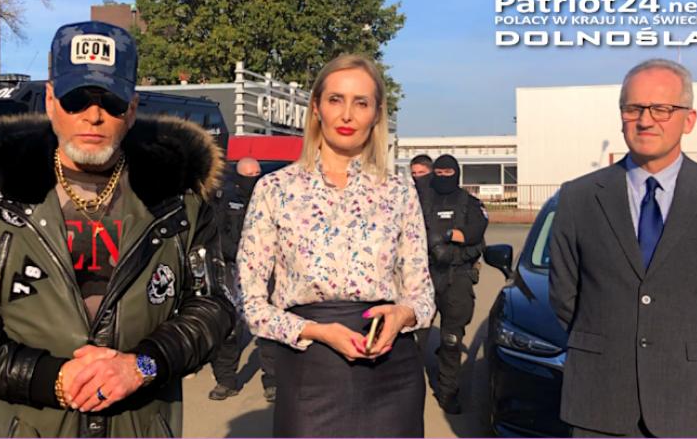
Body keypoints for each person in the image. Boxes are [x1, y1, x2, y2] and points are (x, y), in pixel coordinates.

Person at [0, 21, 235, 437]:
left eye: (111, 101)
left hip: (139, 425)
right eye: (76, 100)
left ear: (131, 109)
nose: (93, 116)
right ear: (51, 100)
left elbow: (214, 306)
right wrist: (48, 378)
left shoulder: (178, 198)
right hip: (28, 425)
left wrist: (141, 366)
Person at [548, 59, 697, 437]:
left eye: (662, 109)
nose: (646, 120)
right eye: (634, 108)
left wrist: (690, 353)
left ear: (689, 119)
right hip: (600, 403)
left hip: (694, 402)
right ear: (621, 116)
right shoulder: (578, 198)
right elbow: (565, 295)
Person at [236, 54, 435, 437]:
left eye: (361, 103)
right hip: (311, 370)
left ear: (376, 114)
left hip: (392, 372)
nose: (347, 115)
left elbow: (422, 294)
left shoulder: (399, 192)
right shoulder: (275, 190)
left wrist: (403, 315)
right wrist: (316, 331)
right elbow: (250, 302)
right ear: (316, 108)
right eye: (335, 100)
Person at [415, 154, 488, 414]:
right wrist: (434, 243)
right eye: (439, 173)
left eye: (449, 173)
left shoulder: (470, 203)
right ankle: (408, 391)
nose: (444, 177)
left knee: (451, 340)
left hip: (457, 277)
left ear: (457, 174)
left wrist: (445, 236)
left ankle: (448, 392)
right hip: (424, 276)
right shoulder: (421, 200)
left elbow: (475, 233)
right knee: (415, 338)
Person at [207, 157, 277, 402]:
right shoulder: (225, 198)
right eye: (249, 175)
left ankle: (273, 382)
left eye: (257, 173)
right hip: (233, 268)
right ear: (238, 176)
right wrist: (241, 252)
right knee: (230, 327)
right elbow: (216, 233)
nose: (254, 179)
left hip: (266, 270)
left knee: (268, 327)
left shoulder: (271, 198)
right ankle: (226, 381)